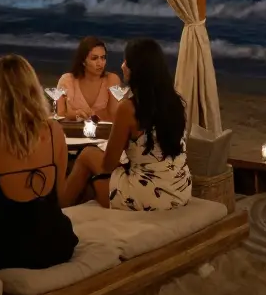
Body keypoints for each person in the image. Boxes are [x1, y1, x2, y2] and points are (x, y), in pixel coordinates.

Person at [0, 55, 78, 273]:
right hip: (53, 244)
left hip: (5, 249)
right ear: (33, 88)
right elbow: (59, 196)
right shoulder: (53, 130)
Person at [61, 38, 191, 211]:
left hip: (149, 195)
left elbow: (107, 164)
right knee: (96, 176)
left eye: (126, 62)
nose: (122, 66)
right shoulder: (176, 101)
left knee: (87, 155)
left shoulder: (129, 108)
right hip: (180, 188)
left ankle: (56, 212)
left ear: (136, 70)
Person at [54, 36, 122, 121]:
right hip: (72, 132)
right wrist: (75, 115)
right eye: (94, 58)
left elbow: (115, 115)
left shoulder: (113, 80)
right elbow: (59, 116)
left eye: (103, 58)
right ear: (83, 61)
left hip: (105, 132)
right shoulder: (65, 80)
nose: (100, 63)